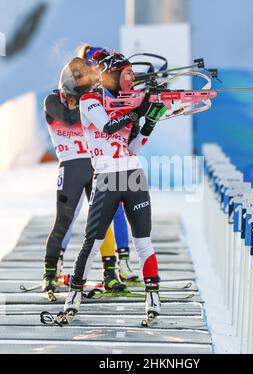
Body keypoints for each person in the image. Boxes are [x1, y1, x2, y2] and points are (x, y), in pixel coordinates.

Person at [57, 52, 166, 322]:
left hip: (132, 175)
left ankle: (153, 298)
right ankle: (73, 297)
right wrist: (136, 111)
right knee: (91, 242)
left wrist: (149, 122)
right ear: (113, 75)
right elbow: (106, 127)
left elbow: (133, 147)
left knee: (143, 241)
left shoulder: (126, 103)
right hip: (107, 177)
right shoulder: (90, 100)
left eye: (132, 73)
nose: (132, 78)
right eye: (126, 73)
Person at [43, 57, 135, 297]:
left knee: (101, 223)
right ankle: (50, 274)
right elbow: (71, 118)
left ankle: (110, 274)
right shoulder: (53, 101)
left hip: (94, 165)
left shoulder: (93, 100)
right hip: (71, 167)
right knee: (63, 221)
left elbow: (114, 117)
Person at [78, 44, 139, 282]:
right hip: (83, 158)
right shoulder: (83, 88)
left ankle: (119, 265)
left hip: (105, 158)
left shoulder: (107, 86)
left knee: (117, 211)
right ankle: (65, 271)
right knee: (84, 220)